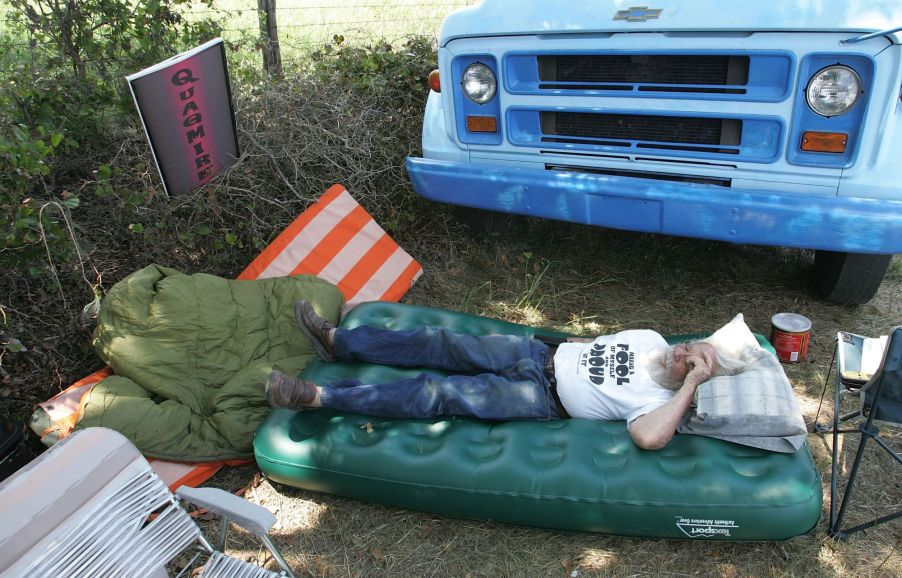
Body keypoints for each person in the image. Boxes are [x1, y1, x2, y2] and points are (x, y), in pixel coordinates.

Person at [267, 301, 742, 450]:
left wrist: (691, 386)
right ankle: (339, 342)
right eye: (689, 345)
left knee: (439, 393)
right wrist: (559, 348)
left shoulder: (660, 406)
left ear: (693, 379)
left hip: (537, 398)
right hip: (536, 353)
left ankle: (318, 397)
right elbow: (591, 344)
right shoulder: (652, 339)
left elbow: (647, 439)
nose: (682, 351)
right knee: (440, 341)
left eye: (691, 359)